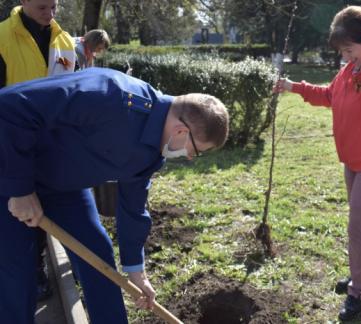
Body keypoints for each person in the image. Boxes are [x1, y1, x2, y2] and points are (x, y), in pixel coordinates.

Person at [0, 67, 230, 324]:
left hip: (62, 185)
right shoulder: (110, 95)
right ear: (181, 131)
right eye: (195, 151)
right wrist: (19, 189)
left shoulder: (153, 150)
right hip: (10, 169)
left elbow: (133, 207)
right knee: (16, 273)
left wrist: (136, 271)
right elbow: (10, 107)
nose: (190, 157)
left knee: (99, 257)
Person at [275, 5, 361, 321]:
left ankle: (358, 292)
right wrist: (293, 87)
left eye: (348, 49)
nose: (344, 56)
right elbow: (329, 96)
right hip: (353, 162)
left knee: (358, 228)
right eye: (341, 51)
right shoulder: (351, 70)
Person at [0, 0, 76, 302]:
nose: (51, 14)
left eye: (54, 6)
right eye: (43, 7)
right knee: (13, 223)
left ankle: (37, 270)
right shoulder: (2, 38)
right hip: (9, 148)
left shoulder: (65, 40)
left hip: (51, 150)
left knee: (39, 220)